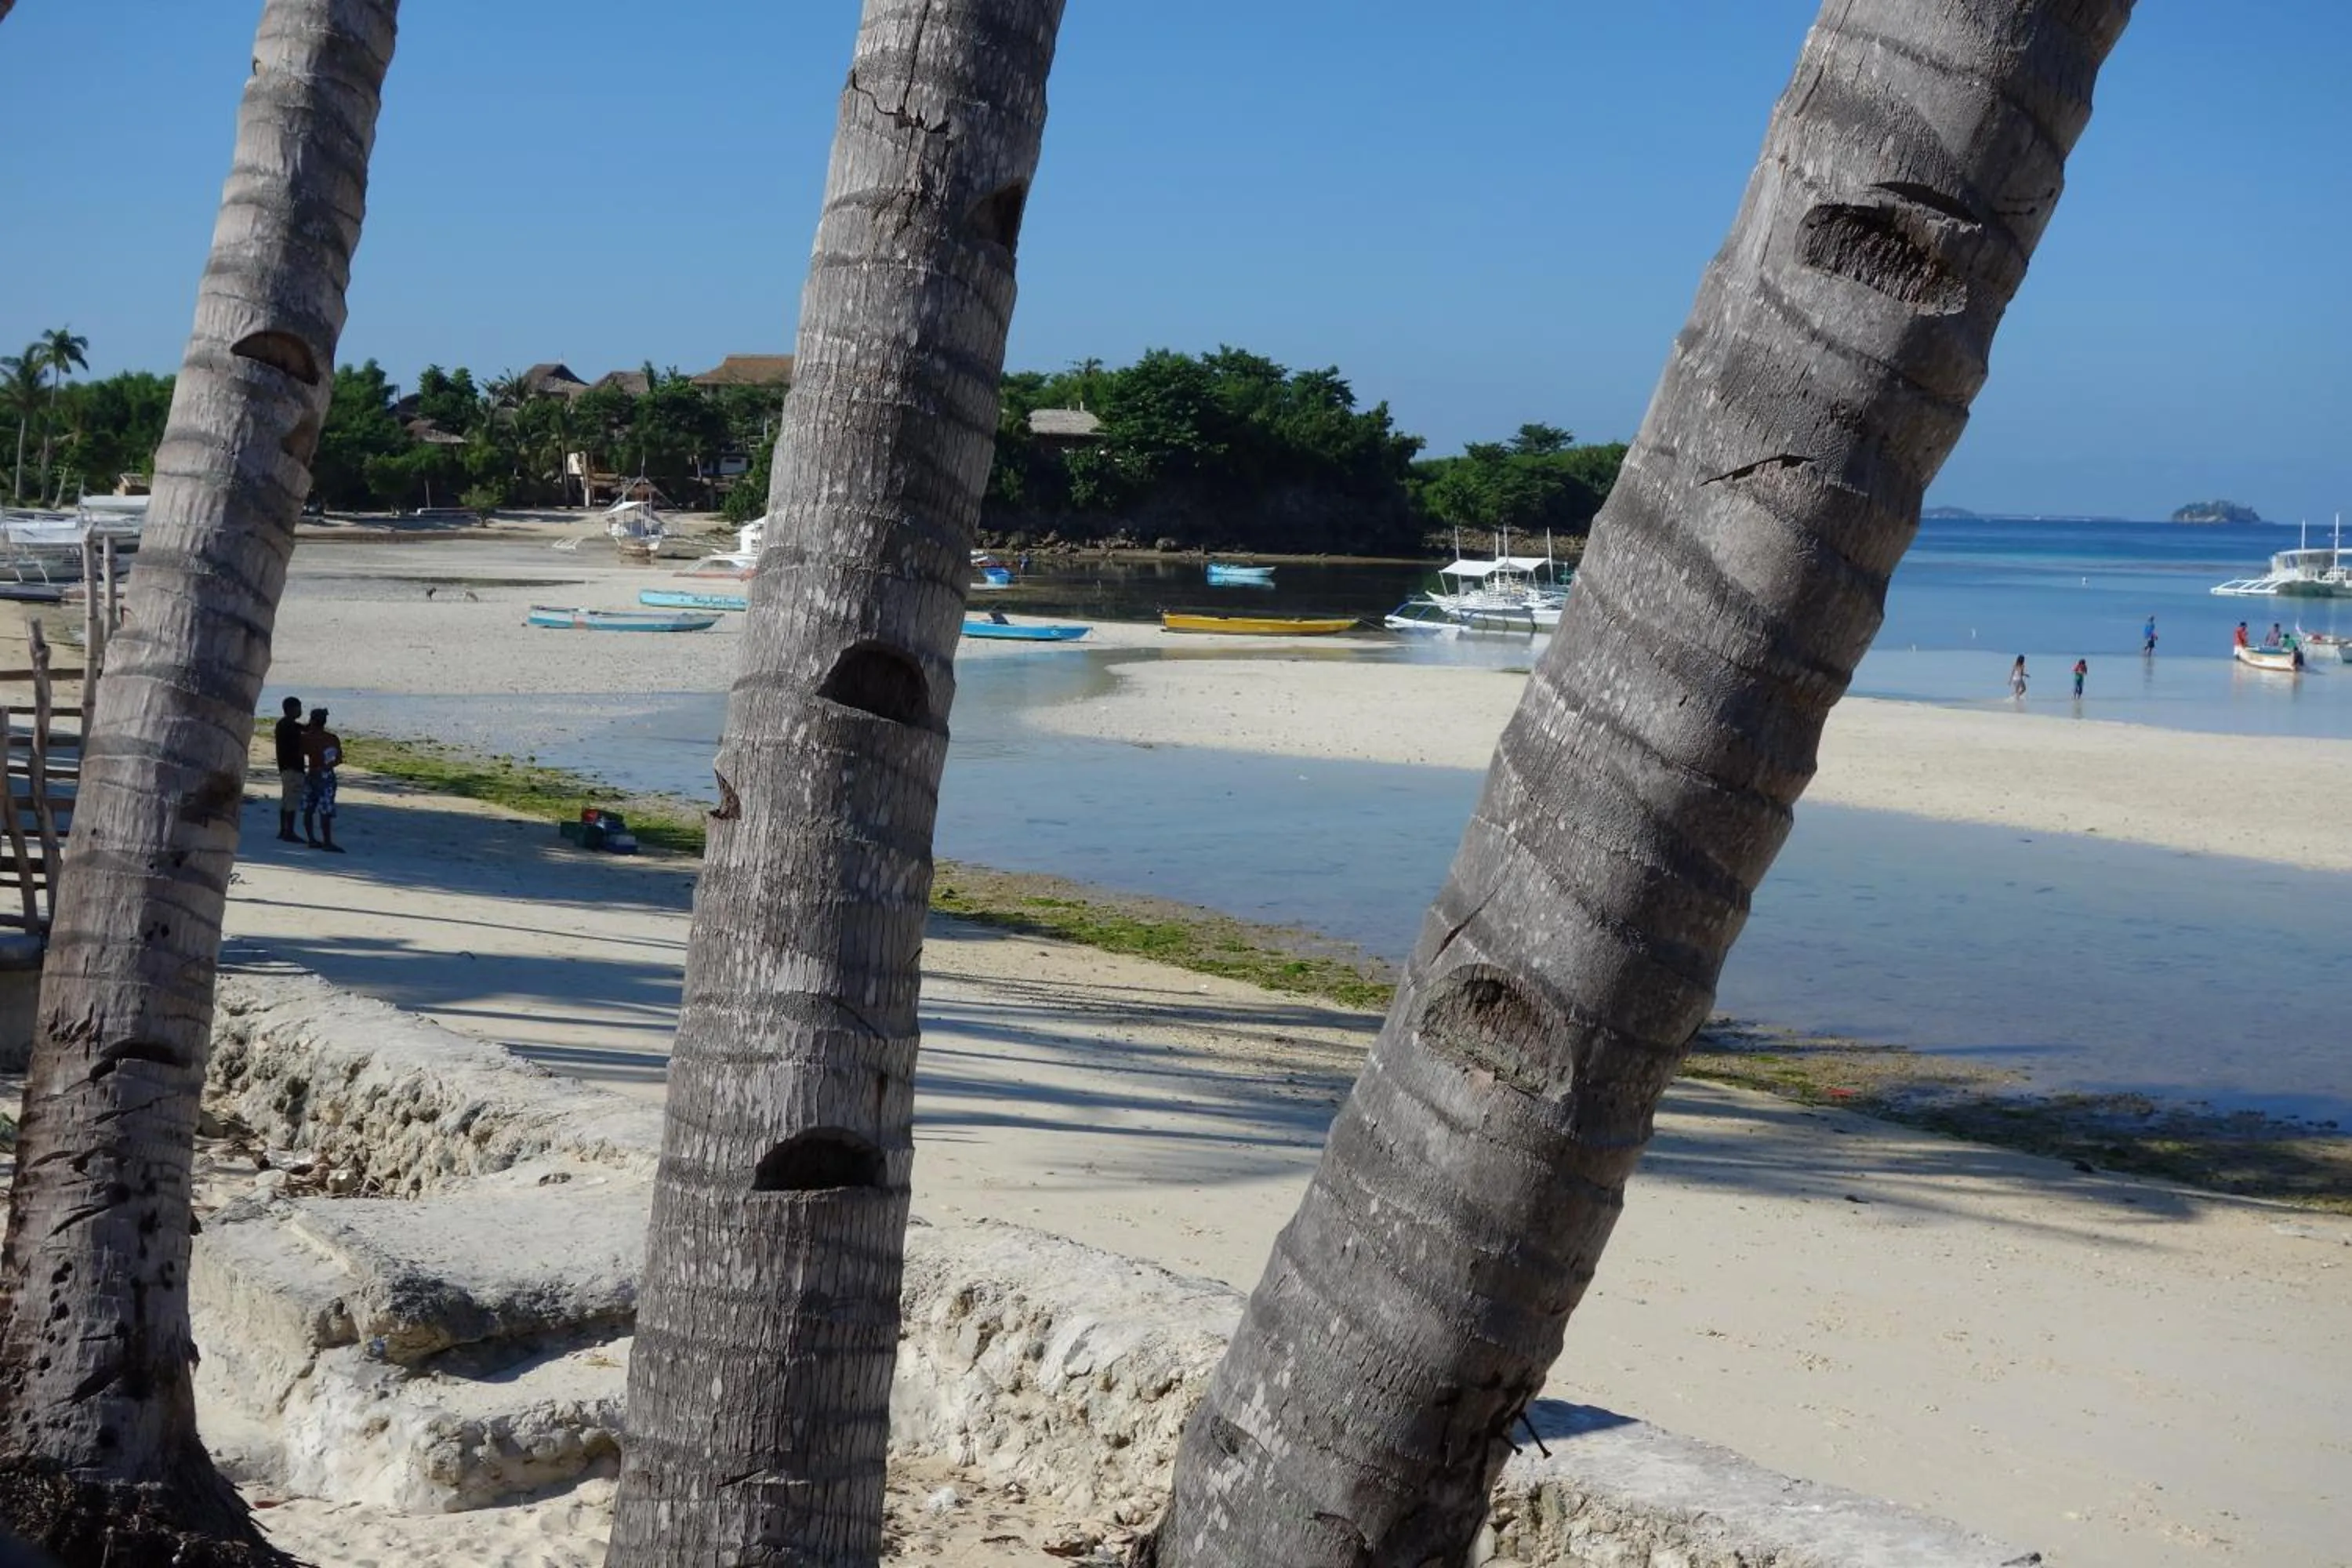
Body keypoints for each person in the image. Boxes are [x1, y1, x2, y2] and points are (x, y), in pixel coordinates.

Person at [302, 706, 344, 853]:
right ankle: (327, 842)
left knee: (309, 808)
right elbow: (338, 759)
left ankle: (311, 839)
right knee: (325, 809)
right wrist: (327, 764)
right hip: (325, 774)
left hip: (312, 772)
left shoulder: (306, 738)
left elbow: (301, 752)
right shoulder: (332, 738)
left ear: (312, 721)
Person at [272, 695, 305, 843]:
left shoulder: (283, 724)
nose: (300, 711)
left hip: (285, 767)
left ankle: (283, 830)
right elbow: (300, 740)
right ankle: (289, 832)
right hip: (293, 767)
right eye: (298, 708)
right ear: (291, 709)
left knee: (286, 799)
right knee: (292, 799)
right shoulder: (289, 726)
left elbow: (302, 728)